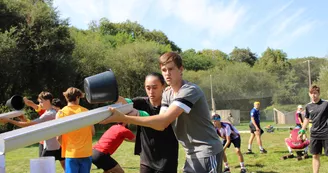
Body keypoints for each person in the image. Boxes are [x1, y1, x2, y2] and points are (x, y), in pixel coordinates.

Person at [101, 52, 223, 173]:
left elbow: (163, 122)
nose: (167, 73)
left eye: (171, 69)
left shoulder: (189, 91)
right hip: (191, 153)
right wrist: (111, 96)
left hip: (208, 151)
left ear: (181, 69)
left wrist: (125, 118)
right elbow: (159, 123)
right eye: (164, 70)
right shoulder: (167, 94)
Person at [124, 72, 179, 173]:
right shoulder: (141, 103)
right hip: (146, 160)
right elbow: (123, 102)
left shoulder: (172, 105)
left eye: (154, 87)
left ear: (163, 86)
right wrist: (111, 94)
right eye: (148, 88)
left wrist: (138, 114)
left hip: (167, 159)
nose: (151, 91)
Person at [0, 92, 65, 170]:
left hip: (51, 147)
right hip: (56, 146)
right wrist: (22, 118)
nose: (40, 104)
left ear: (48, 101)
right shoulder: (51, 111)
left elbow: (29, 125)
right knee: (65, 168)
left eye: (41, 102)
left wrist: (9, 120)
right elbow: (33, 123)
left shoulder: (49, 114)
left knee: (43, 170)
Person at [56, 87, 95, 173]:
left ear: (66, 97)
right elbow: (92, 132)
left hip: (71, 154)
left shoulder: (61, 113)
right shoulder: (87, 112)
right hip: (86, 153)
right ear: (77, 97)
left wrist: (68, 147)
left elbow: (58, 138)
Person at [298, 85, 328, 173]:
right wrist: (302, 131)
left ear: (319, 93)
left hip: (326, 133)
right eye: (311, 93)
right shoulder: (308, 106)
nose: (313, 95)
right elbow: (306, 119)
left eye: (315, 93)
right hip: (314, 134)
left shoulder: (326, 104)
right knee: (315, 155)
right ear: (309, 94)